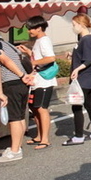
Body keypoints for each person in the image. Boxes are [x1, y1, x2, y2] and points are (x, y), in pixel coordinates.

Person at [0, 32, 33, 163]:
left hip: (11, 83)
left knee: (14, 118)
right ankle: (17, 147)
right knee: (20, 116)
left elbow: (4, 60)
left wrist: (21, 75)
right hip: (22, 85)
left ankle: (14, 151)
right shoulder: (9, 45)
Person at [18, 15, 57, 150]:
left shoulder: (44, 40)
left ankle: (45, 139)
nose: (29, 31)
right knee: (35, 108)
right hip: (38, 80)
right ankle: (40, 136)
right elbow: (41, 56)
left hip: (44, 81)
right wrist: (29, 52)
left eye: (31, 29)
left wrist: (32, 62)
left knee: (41, 109)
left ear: (39, 28)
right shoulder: (39, 41)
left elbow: (51, 58)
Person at [63, 13, 91, 146]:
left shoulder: (86, 39)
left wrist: (77, 69)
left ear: (81, 24)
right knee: (89, 105)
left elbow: (89, 59)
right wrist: (73, 55)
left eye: (74, 25)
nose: (73, 28)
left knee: (77, 106)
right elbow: (85, 56)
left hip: (83, 78)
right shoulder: (83, 38)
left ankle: (78, 136)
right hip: (86, 78)